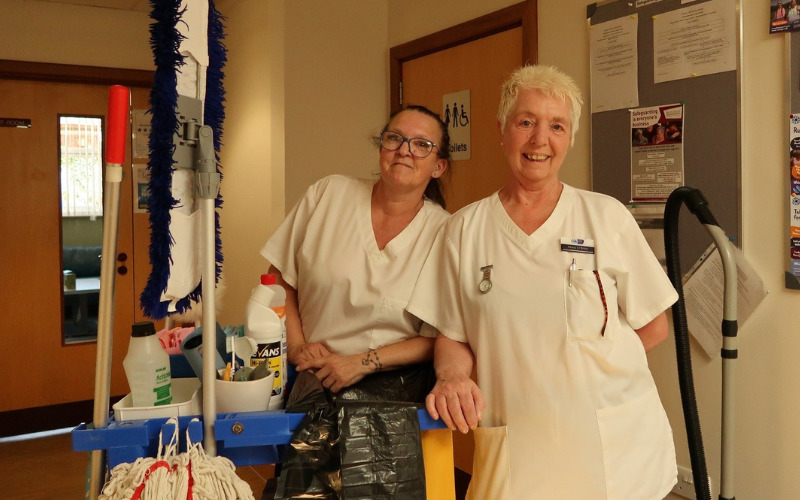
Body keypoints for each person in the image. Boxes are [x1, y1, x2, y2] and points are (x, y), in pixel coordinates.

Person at [407, 65, 679, 499]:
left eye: (557, 126)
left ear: (569, 138)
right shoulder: (464, 230)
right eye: (526, 122)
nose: (540, 140)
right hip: (518, 448)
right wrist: (451, 377)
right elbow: (452, 333)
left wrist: (573, 375)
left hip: (615, 449)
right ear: (502, 130)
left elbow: (655, 325)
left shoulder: (605, 216)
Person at [261, 104, 451, 393]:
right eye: (394, 138)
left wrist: (361, 363)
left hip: (390, 393)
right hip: (310, 378)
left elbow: (442, 336)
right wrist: (298, 346)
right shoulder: (329, 194)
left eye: (422, 145)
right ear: (381, 149)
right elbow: (277, 282)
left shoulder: (445, 232)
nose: (404, 150)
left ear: (439, 166)